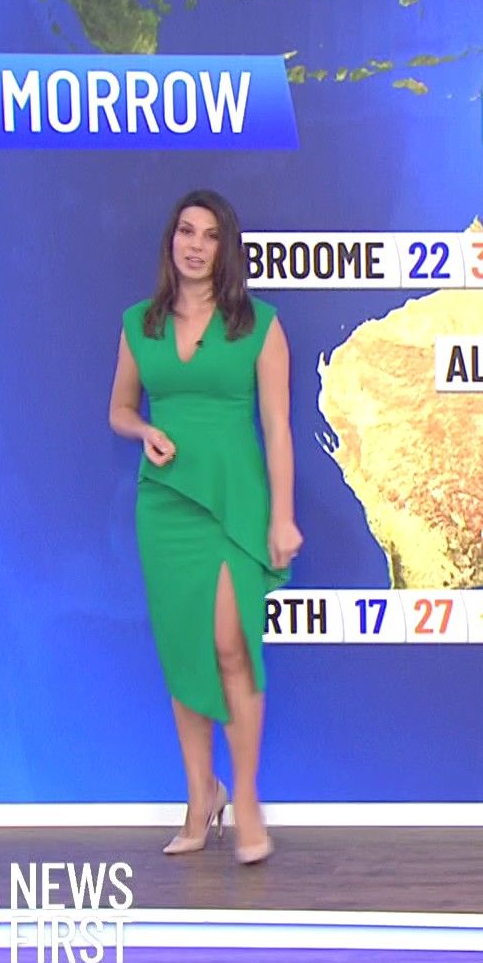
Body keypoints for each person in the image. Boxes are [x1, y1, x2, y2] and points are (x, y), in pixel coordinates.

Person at [107, 189, 300, 865]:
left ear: (226, 249)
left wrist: (282, 515)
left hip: (234, 505)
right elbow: (119, 409)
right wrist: (144, 430)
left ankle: (245, 797)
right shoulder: (140, 323)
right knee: (184, 650)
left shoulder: (259, 325)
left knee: (230, 646)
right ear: (171, 241)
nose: (195, 245)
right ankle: (200, 794)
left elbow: (278, 428)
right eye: (186, 231)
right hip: (166, 506)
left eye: (211, 235)